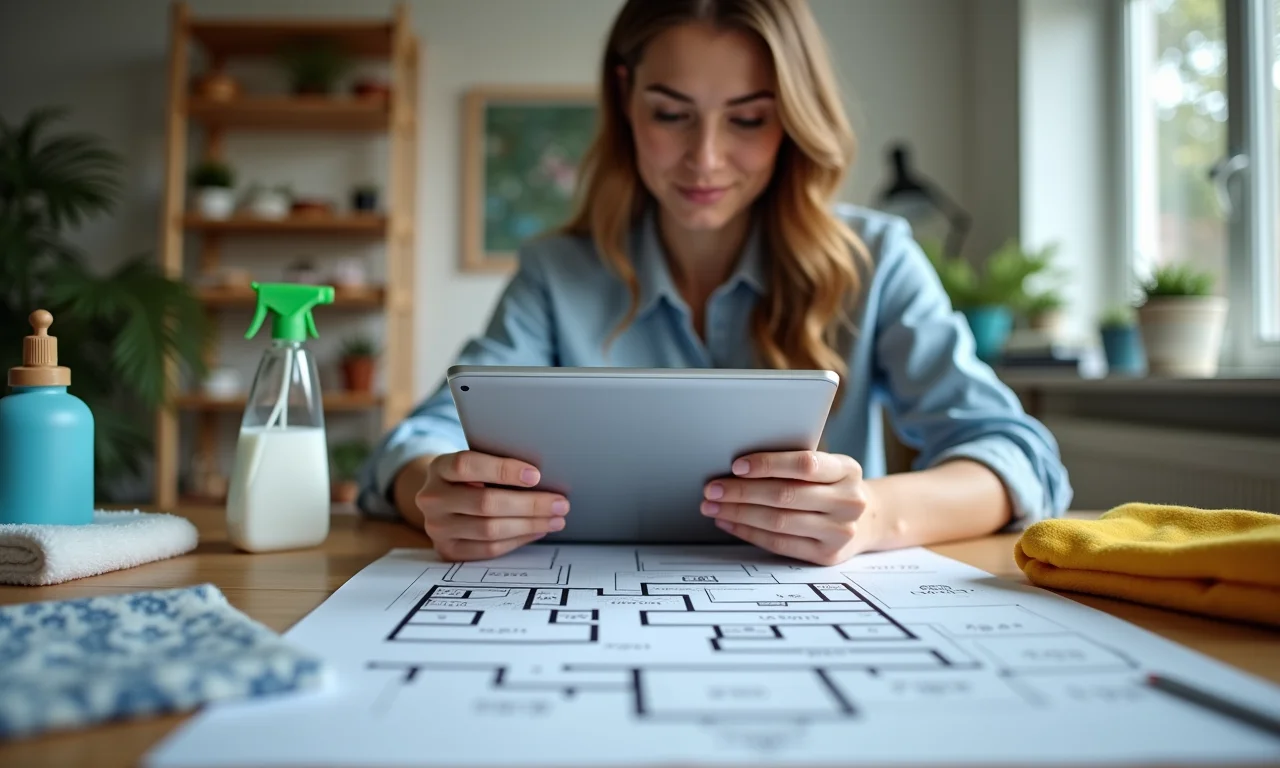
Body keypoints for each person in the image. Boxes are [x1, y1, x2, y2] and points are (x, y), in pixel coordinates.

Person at [356, 0, 1072, 565]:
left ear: (791, 120)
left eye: (748, 120)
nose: (705, 159)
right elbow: (415, 442)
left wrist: (875, 515)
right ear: (625, 96)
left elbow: (1015, 453)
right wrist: (434, 492)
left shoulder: (876, 257)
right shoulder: (557, 272)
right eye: (672, 115)